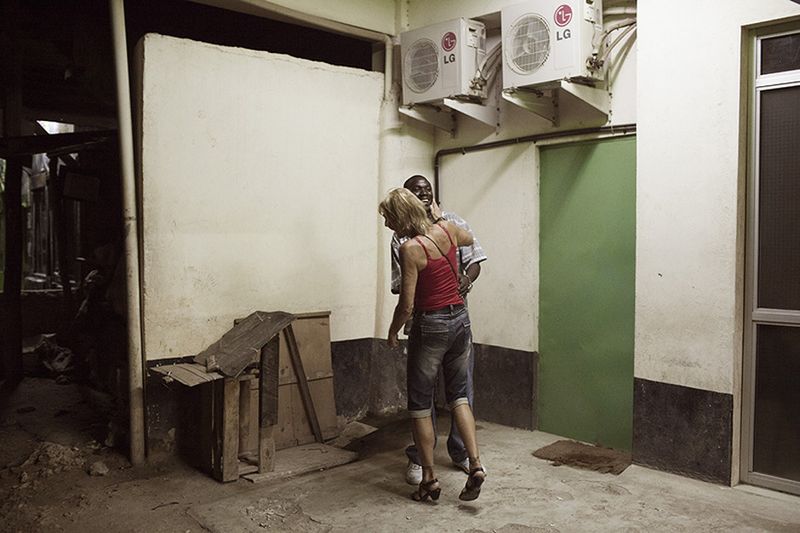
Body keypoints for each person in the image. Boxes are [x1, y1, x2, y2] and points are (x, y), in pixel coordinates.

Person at [380, 188, 486, 502]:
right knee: (459, 397)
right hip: (460, 321)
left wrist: (392, 331)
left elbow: (407, 305)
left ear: (400, 217)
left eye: (388, 218)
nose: (387, 224)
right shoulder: (448, 229)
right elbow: (468, 239)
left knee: (420, 405)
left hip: (431, 327)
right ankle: (476, 465)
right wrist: (440, 220)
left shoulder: (410, 248)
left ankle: (428, 479)